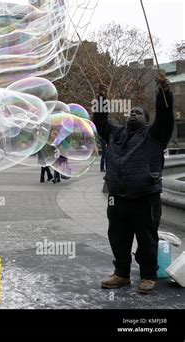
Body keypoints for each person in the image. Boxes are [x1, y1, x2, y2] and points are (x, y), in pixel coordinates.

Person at [94, 75, 174, 294]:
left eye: (138, 112)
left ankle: (148, 275)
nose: (133, 114)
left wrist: (164, 93)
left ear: (146, 119)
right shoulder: (116, 134)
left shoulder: (154, 135)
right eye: (131, 111)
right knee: (118, 237)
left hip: (145, 197)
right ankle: (121, 274)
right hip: (117, 197)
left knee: (147, 239)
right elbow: (100, 122)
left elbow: (166, 118)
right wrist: (101, 98)